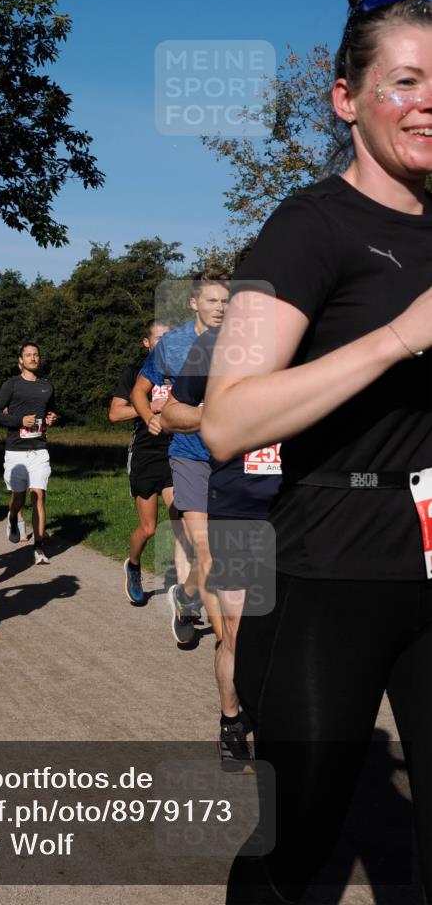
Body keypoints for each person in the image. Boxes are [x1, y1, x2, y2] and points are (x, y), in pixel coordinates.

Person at [201, 0, 432, 904]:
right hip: (328, 570)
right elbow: (227, 421)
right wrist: (397, 337)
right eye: (405, 82)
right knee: (298, 843)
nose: (427, 104)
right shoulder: (310, 226)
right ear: (347, 99)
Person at [161, 283, 282, 773]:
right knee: (237, 632)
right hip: (240, 506)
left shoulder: (325, 337)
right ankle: (232, 721)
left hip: (306, 508)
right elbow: (171, 411)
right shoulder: (216, 344)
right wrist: (215, 415)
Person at [131, 270, 230, 644]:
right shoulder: (173, 344)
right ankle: (227, 644)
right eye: (211, 300)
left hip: (230, 455)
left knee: (222, 549)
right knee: (206, 550)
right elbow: (139, 390)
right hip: (189, 455)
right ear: (193, 303)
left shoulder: (241, 342)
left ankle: (186, 597)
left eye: (226, 301)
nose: (220, 308)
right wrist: (150, 418)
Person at [109, 319, 193, 607]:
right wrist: (148, 408)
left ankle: (185, 597)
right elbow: (115, 414)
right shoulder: (135, 372)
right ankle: (133, 566)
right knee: (148, 528)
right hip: (145, 453)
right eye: (159, 338)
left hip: (176, 451)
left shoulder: (182, 370)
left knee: (181, 524)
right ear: (146, 343)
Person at [0, 342, 58, 565]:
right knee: (18, 497)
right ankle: (12, 517)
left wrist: (52, 418)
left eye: (36, 354)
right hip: (16, 450)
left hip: (39, 449)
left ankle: (38, 547)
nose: (33, 358)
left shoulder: (47, 386)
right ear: (20, 360)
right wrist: (20, 420)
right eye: (28, 355)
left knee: (38, 495)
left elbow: (51, 411)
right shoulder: (12, 385)